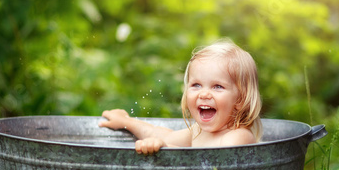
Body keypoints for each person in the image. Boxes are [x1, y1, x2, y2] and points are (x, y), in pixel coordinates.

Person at [99, 39, 262, 154]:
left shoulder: (238, 136)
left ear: (240, 100)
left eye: (217, 86)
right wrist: (127, 122)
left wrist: (166, 149)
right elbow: (162, 134)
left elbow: (208, 165)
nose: (204, 93)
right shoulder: (197, 132)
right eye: (196, 85)